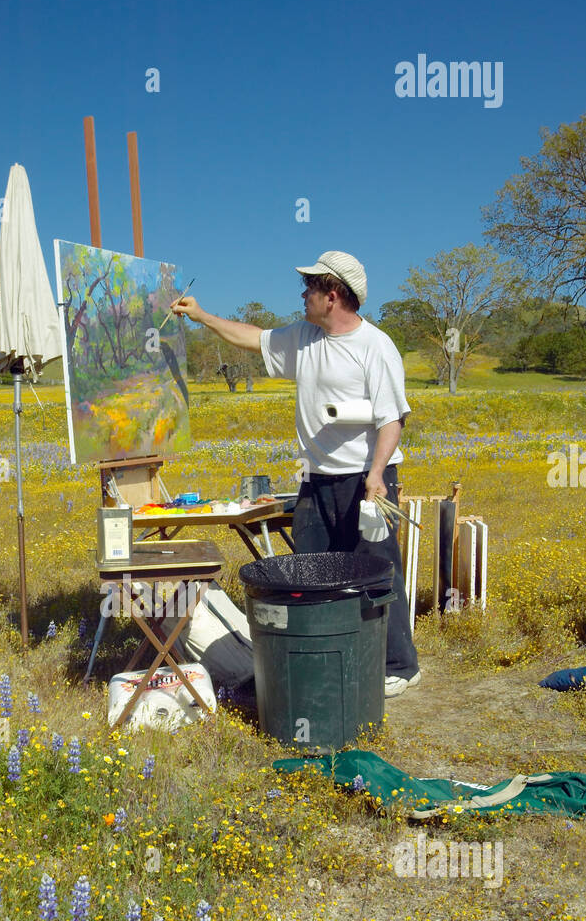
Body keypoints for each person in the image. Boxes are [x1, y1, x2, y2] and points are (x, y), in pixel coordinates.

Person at [171, 250, 420, 696]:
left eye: (309, 286)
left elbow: (392, 419)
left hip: (367, 478)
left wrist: (377, 475)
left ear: (332, 294)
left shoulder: (376, 347)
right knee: (310, 571)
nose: (301, 294)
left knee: (376, 572)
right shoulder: (304, 337)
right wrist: (203, 316)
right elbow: (253, 338)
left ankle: (399, 666)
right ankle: (328, 657)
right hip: (316, 479)